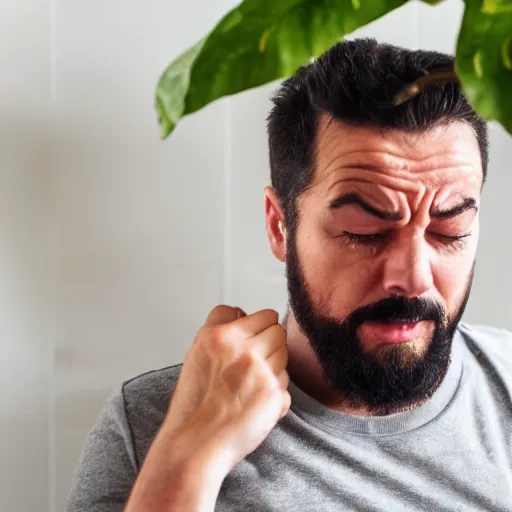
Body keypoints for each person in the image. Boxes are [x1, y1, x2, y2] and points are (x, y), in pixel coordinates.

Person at [65, 38, 512, 512]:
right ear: (281, 227)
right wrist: (189, 456)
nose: (414, 276)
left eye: (450, 228)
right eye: (363, 231)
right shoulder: (155, 425)